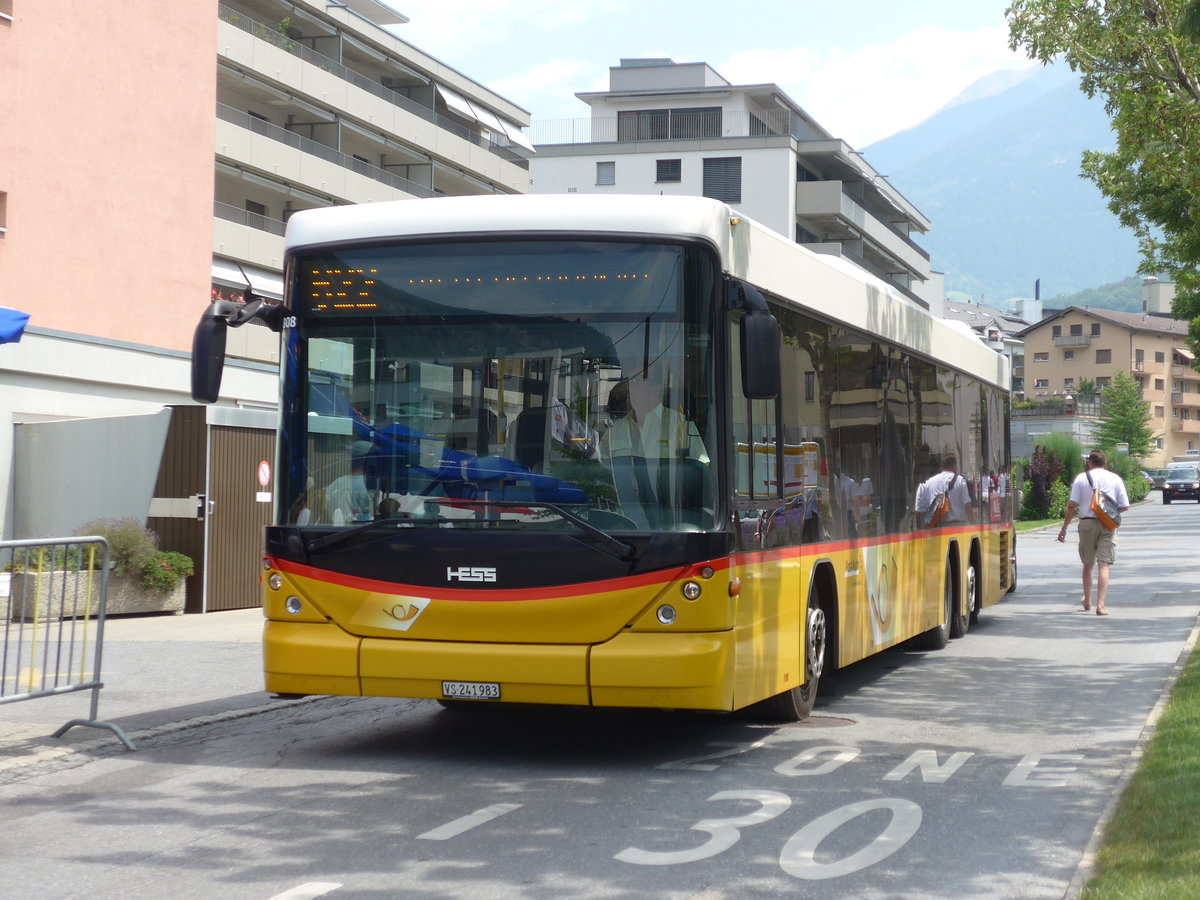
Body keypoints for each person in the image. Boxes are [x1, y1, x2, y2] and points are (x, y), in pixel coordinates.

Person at [1058, 449, 1130, 615]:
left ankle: (1087, 600)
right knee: (1103, 564)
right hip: (1108, 524)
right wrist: (1108, 512)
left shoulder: (1082, 478)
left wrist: (1064, 528)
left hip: (1087, 524)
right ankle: (1101, 605)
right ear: (1105, 463)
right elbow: (1125, 506)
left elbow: (1072, 505)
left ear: (1090, 462)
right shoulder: (1115, 478)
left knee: (1088, 564)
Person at [914, 452, 973, 526]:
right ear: (954, 465)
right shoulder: (960, 481)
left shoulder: (928, 484)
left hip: (935, 528)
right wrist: (974, 524)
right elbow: (968, 507)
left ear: (943, 467)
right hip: (956, 528)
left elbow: (919, 514)